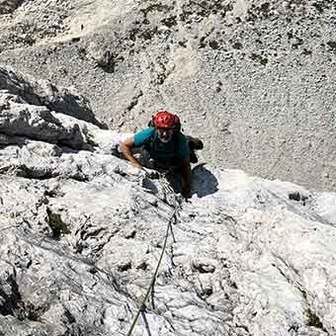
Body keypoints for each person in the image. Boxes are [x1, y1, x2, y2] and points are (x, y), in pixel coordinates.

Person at [119, 111, 203, 198]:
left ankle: (189, 144)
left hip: (170, 159)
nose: (165, 134)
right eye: (162, 130)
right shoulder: (149, 133)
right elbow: (125, 145)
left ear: (173, 129)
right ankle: (190, 143)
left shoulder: (179, 140)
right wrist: (135, 163)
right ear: (156, 128)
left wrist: (186, 186)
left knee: (183, 155)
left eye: (168, 130)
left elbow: (185, 165)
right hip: (156, 158)